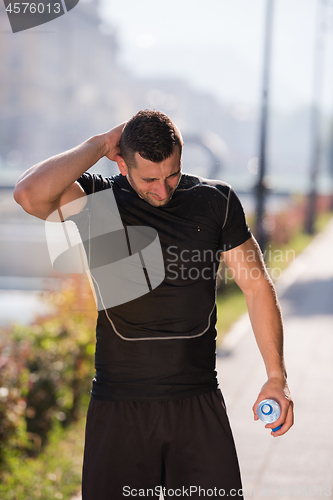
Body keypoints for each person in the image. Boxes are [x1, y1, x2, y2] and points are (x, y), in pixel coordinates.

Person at [14, 109, 294, 499]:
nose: (163, 190)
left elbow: (257, 287)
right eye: (149, 179)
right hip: (119, 407)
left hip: (197, 402)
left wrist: (276, 378)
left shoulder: (215, 201)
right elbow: (28, 194)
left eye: (172, 174)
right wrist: (99, 144)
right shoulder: (95, 200)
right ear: (122, 163)